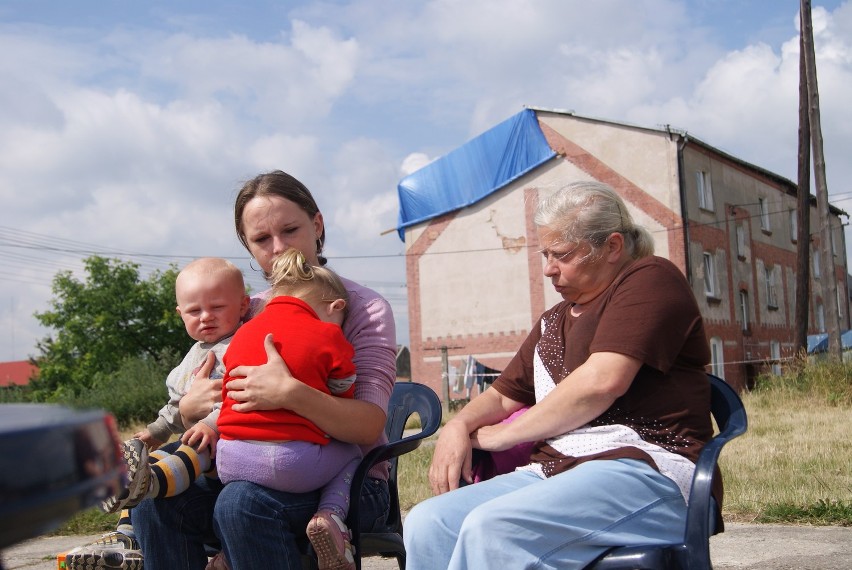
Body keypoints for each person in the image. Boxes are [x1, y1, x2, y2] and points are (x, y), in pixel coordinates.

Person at [403, 180, 715, 569]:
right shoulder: (554, 322)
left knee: (495, 528)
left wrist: (501, 436)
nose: (549, 269)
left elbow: (603, 380)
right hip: (557, 470)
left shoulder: (650, 279)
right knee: (429, 522)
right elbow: (502, 395)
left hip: (648, 470)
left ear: (613, 246)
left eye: (562, 255)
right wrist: (457, 427)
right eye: (546, 254)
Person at [131, 170, 397, 570]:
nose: (277, 248)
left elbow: (365, 428)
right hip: (248, 462)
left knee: (241, 502)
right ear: (247, 246)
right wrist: (190, 408)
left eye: (290, 230)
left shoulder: (360, 308)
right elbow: (213, 398)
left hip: (347, 482)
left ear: (317, 225)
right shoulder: (243, 308)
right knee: (159, 502)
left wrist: (291, 393)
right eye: (260, 239)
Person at [65, 257, 249, 569]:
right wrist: (155, 431)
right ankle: (127, 535)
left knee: (187, 453)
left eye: (217, 307)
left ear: (243, 305)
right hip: (196, 440)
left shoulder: (243, 343)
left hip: (229, 442)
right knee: (146, 463)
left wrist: (210, 423)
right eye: (194, 311)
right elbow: (176, 406)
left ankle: (146, 486)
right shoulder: (193, 357)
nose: (206, 317)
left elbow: (243, 397)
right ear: (180, 315)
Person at [216, 247, 363, 569]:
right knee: (351, 452)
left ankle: (228, 552)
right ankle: (332, 518)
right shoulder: (327, 332)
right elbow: (345, 390)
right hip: (292, 463)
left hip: (229, 458)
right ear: (335, 307)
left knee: (237, 501)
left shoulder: (243, 332)